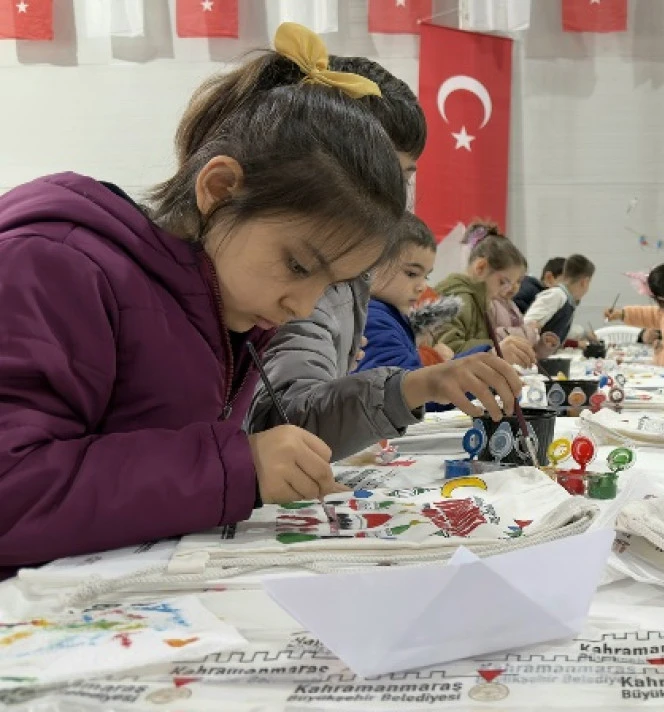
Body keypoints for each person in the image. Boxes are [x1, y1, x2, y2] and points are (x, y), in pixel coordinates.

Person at [0, 23, 426, 571]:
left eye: (330, 284)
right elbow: (11, 492)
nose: (302, 305)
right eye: (298, 265)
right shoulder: (54, 265)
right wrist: (232, 468)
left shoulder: (227, 308)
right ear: (220, 189)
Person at [244, 43, 519, 463]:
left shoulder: (347, 278)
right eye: (379, 175)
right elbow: (281, 420)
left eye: (402, 178)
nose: (392, 201)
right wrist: (416, 385)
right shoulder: (321, 278)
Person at [358, 213, 491, 375]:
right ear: (373, 262)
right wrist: (484, 362)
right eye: (412, 274)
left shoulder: (390, 316)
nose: (422, 287)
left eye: (426, 276)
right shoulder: (374, 322)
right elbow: (410, 391)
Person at [433, 223, 536, 366]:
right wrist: (496, 348)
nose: (506, 291)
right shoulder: (458, 299)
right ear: (480, 267)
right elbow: (447, 351)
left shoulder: (479, 299)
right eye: (503, 282)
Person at [524, 254, 595, 347]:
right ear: (584, 282)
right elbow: (528, 324)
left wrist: (584, 334)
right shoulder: (557, 295)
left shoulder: (566, 300)